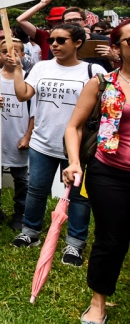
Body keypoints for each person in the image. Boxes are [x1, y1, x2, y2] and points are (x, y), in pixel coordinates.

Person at [7, 22, 105, 267]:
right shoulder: (41, 67)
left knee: (80, 198)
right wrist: (17, 69)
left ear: (78, 43)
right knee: (36, 190)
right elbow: (23, 95)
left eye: (61, 40)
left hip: (79, 148)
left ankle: (74, 244)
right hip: (42, 142)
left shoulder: (93, 71)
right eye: (52, 40)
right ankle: (30, 233)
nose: (54, 45)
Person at [63, 19, 130, 324]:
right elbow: (74, 127)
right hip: (110, 172)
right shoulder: (102, 83)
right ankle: (98, 302)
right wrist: (75, 161)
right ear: (117, 48)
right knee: (110, 239)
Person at [0, 38, 32, 231]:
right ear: (0, 54)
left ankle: (20, 213)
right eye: (5, 51)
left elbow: (35, 113)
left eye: (15, 51)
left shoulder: (30, 79)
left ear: (22, 55)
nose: (9, 55)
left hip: (18, 136)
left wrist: (27, 137)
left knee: (21, 179)